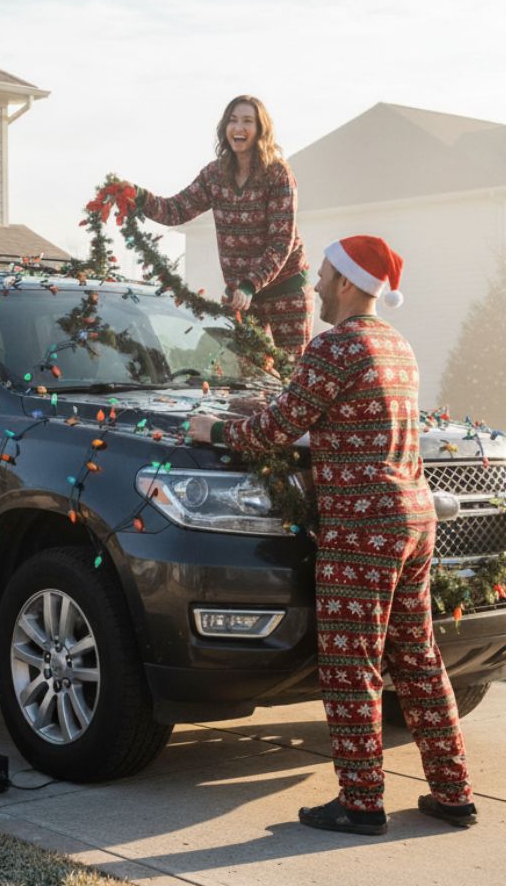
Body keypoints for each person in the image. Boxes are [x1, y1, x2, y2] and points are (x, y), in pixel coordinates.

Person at [188, 235, 477, 835]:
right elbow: (346, 420)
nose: (313, 285)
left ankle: (361, 804)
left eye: (321, 276)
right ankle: (454, 793)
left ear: (346, 283)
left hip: (362, 528)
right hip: (413, 519)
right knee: (418, 659)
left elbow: (274, 429)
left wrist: (213, 428)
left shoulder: (335, 347)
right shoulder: (399, 347)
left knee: (353, 665)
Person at [133, 95, 313, 358]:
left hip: (284, 290)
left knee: (292, 369)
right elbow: (176, 210)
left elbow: (280, 241)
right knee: (244, 371)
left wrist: (251, 285)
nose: (238, 128)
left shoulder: (277, 174)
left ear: (261, 129)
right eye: (233, 120)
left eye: (247, 121)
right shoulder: (215, 175)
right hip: (240, 295)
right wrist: (137, 196)